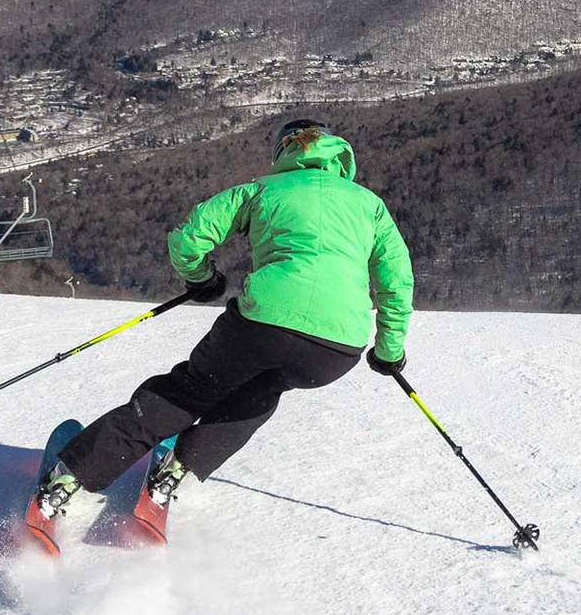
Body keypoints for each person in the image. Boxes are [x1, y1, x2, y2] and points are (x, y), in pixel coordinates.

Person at [34, 118, 414, 516]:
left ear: (283, 152)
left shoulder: (262, 190)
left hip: (262, 326)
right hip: (334, 350)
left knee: (188, 392)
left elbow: (190, 237)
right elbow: (397, 283)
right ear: (338, 154)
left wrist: (203, 279)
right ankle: (177, 472)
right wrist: (389, 352)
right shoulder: (370, 205)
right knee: (261, 394)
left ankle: (69, 475)